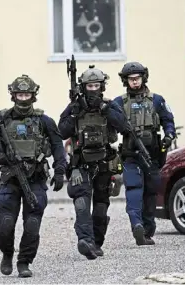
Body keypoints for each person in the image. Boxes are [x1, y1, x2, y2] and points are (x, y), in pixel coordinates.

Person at [0, 74, 67, 278]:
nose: (23, 98)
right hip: (9, 177)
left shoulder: (44, 120)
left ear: (33, 95)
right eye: (20, 94)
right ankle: (7, 253)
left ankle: (24, 261)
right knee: (6, 223)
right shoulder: (1, 118)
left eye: (27, 94)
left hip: (35, 177)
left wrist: (60, 171)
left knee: (33, 223)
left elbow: (57, 147)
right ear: (13, 95)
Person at [58, 65, 127, 259]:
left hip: (104, 164)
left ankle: (97, 242)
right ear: (83, 87)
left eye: (96, 85)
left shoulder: (110, 105)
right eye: (89, 86)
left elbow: (123, 126)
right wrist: (75, 114)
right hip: (81, 165)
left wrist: (106, 110)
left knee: (100, 208)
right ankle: (85, 241)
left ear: (102, 86)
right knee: (81, 205)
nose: (93, 90)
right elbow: (61, 131)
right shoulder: (74, 107)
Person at [113, 62, 176, 245]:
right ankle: (137, 225)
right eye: (131, 79)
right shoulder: (119, 102)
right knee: (133, 188)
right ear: (126, 81)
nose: (134, 82)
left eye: (137, 78)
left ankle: (147, 230)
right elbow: (110, 125)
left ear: (143, 78)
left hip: (153, 154)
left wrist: (169, 136)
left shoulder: (156, 100)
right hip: (130, 154)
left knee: (151, 191)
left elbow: (168, 121)